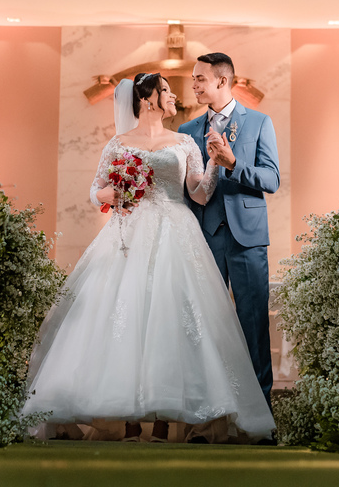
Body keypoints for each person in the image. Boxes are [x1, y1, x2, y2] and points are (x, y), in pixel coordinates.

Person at [21, 72, 276, 443]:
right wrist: (121, 189)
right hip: (128, 234)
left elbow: (200, 194)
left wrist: (216, 162)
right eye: (167, 91)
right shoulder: (119, 143)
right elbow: (96, 192)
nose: (175, 96)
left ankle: (164, 422)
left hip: (176, 229)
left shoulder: (185, 141)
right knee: (126, 315)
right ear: (147, 100)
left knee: (171, 319)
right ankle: (126, 421)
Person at [179, 53, 280, 407]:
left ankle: (259, 413)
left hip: (247, 237)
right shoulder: (186, 131)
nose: (193, 84)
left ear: (222, 81)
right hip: (204, 237)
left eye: (200, 79)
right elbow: (184, 190)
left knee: (254, 324)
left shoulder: (258, 122)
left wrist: (234, 164)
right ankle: (207, 411)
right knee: (202, 325)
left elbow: (272, 179)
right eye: (193, 78)